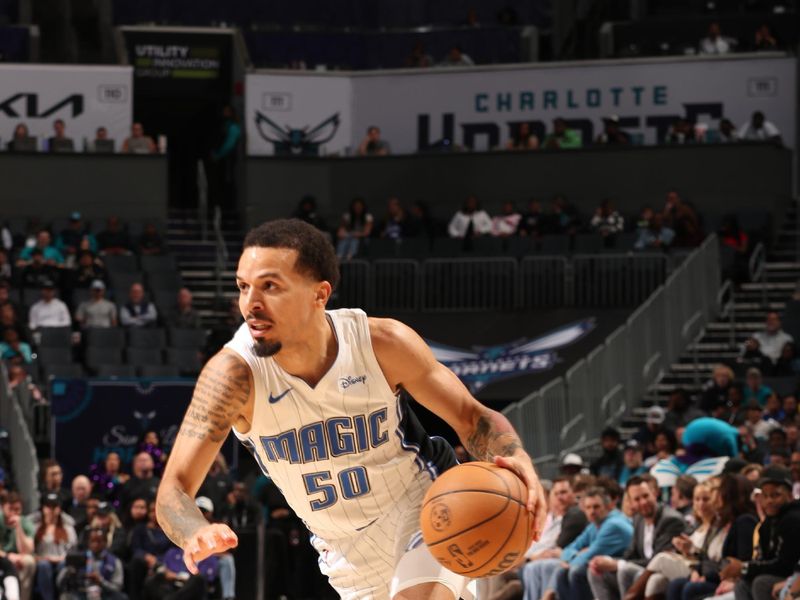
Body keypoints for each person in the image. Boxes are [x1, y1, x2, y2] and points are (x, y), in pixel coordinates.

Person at [155, 218, 546, 600]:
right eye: (243, 287)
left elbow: (470, 416)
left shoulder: (381, 343)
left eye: (270, 286)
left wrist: (516, 458)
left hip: (424, 508)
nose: (251, 304)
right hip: (343, 550)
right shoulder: (232, 376)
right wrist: (194, 531)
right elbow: (173, 491)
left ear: (319, 294)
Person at [521, 486, 633, 600]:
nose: (592, 511)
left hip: (624, 565)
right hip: (603, 564)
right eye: (588, 507)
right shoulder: (594, 524)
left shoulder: (614, 525)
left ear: (607, 507)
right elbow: (572, 547)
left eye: (596, 507)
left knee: (574, 570)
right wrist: (575, 555)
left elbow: (589, 555)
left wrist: (573, 557)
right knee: (559, 570)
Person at [588, 476, 687, 600]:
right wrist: (608, 561)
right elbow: (631, 554)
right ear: (631, 502)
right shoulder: (638, 519)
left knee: (625, 570)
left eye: (646, 496)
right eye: (637, 499)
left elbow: (657, 561)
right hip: (639, 569)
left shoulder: (671, 520)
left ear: (655, 493)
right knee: (596, 571)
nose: (643, 502)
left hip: (659, 573)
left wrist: (618, 564)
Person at [719, 465, 800, 600]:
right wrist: (739, 570)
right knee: (742, 584)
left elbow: (785, 565)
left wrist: (744, 568)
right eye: (765, 495)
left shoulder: (793, 519)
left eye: (776, 495)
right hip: (780, 576)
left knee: (760, 583)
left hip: (790, 576)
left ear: (790, 496)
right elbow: (763, 560)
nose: (769, 501)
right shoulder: (767, 524)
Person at [57, 527, 126, 600]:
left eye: (99, 541)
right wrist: (68, 572)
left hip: (104, 594)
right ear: (88, 543)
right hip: (81, 593)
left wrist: (101, 581)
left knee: (121, 597)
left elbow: (117, 588)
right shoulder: (77, 558)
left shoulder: (114, 561)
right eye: (93, 541)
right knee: (65, 597)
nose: (95, 545)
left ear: (106, 543)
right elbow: (59, 583)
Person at [34, 492, 77, 600]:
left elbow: (72, 551)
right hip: (41, 561)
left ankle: (63, 597)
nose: (51, 510)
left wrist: (59, 558)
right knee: (44, 565)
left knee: (63, 565)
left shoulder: (68, 528)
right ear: (43, 508)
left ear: (59, 509)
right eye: (48, 506)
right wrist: (43, 558)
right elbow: (31, 551)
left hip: (61, 560)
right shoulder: (35, 527)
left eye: (55, 506)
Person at [0, 492, 36, 600]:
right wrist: (7, 556)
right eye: (10, 509)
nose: (14, 513)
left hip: (19, 558)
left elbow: (28, 550)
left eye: (17, 509)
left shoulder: (26, 522)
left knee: (29, 561)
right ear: (2, 507)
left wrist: (18, 528)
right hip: (2, 557)